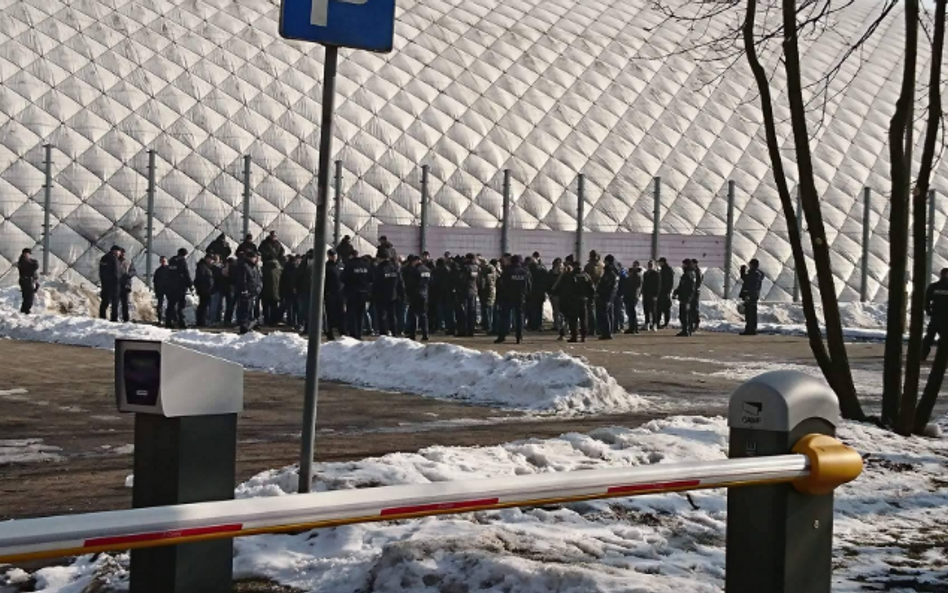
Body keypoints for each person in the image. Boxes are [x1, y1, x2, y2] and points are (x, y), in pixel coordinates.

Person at [495, 255, 531, 344]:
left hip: (507, 297)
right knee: (519, 317)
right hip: (520, 297)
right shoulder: (524, 272)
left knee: (505, 317)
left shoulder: (507, 271)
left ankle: (502, 336)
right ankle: (519, 337)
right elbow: (529, 285)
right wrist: (526, 295)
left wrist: (500, 295)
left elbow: (501, 284)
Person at [561, 260, 595, 343]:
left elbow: (566, 289)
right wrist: (590, 298)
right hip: (584, 300)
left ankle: (574, 336)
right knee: (583, 319)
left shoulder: (570, 276)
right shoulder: (586, 276)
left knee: (573, 319)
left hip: (573, 300)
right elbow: (592, 289)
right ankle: (583, 336)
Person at [342, 250, 372, 339]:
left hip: (352, 292)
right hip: (364, 293)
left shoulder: (349, 265)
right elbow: (371, 278)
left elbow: (343, 278)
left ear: (351, 256)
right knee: (360, 314)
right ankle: (359, 333)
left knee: (352, 313)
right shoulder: (366, 265)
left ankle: (353, 333)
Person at [373, 252, 403, 336]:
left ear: (380, 258)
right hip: (393, 295)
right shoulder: (395, 267)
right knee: (392, 315)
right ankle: (394, 332)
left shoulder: (380, 268)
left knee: (381, 315)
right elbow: (400, 282)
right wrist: (401, 295)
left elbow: (376, 283)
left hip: (381, 295)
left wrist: (373, 295)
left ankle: (383, 333)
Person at [233, 250, 263, 334]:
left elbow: (257, 279)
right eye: (254, 258)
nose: (256, 259)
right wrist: (244, 290)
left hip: (252, 292)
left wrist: (258, 287)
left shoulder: (253, 266)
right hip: (246, 292)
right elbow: (242, 279)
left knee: (250, 309)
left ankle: (248, 326)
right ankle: (244, 327)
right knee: (245, 309)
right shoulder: (244, 266)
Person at [404, 255, 432, 341]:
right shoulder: (427, 269)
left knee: (413, 314)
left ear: (415, 261)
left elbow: (410, 283)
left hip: (415, 294)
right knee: (423, 314)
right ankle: (425, 334)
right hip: (425, 293)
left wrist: (408, 294)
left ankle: (413, 334)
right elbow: (431, 282)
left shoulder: (414, 270)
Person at [922, 268, 948, 360]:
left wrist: (928, 310)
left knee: (929, 337)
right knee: (944, 339)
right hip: (945, 318)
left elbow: (927, 299)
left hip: (935, 316)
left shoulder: (934, 286)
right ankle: (941, 358)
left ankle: (923, 355)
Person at [165, 248, 192, 329]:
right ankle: (181, 322)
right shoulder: (182, 261)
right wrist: (190, 284)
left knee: (171, 305)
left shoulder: (171, 260)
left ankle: (168, 322)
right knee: (181, 305)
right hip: (180, 286)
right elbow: (186, 273)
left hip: (171, 286)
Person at [596, 255, 620, 340]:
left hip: (606, 297)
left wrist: (599, 292)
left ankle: (606, 332)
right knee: (609, 314)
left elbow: (605, 285)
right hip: (610, 296)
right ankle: (608, 331)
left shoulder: (609, 273)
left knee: (604, 314)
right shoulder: (615, 272)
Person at [740, 259, 764, 336]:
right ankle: (750, 328)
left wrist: (748, 294)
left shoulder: (755, 274)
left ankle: (751, 329)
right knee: (750, 312)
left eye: (750, 264)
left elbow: (750, 283)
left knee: (750, 313)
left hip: (751, 295)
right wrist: (742, 271)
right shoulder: (755, 273)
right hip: (752, 295)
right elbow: (746, 279)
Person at [98, 245, 123, 322]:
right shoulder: (114, 259)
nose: (120, 253)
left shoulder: (104, 258)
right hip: (114, 284)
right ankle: (114, 318)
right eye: (119, 251)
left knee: (105, 301)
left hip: (105, 283)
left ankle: (102, 316)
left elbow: (101, 272)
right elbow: (116, 272)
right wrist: (118, 281)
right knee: (115, 302)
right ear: (115, 251)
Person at [324, 250, 345, 339]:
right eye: (332, 255)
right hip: (330, 293)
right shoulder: (326, 266)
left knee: (341, 313)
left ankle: (342, 331)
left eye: (335, 255)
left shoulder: (341, 265)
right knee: (331, 313)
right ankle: (330, 331)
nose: (334, 257)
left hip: (341, 293)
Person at [673, 259, 696, 337]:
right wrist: (676, 292)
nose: (682, 266)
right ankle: (685, 329)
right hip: (683, 297)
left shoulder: (690, 274)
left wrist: (689, 298)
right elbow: (681, 286)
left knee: (685, 315)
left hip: (686, 298)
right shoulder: (685, 274)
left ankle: (686, 330)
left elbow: (692, 288)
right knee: (683, 315)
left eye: (684, 265)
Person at [458, 253, 479, 337]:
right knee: (472, 311)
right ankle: (471, 330)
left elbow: (462, 279)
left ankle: (463, 330)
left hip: (465, 291)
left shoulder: (465, 268)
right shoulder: (476, 268)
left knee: (463, 311)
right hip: (473, 290)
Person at [584, 250, 604, 331]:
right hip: (601, 290)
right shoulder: (602, 265)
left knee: (591, 310)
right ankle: (599, 328)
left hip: (591, 290)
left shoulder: (589, 266)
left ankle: (592, 328)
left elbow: (586, 278)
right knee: (599, 310)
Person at [477, 257, 498, 333]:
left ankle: (488, 326)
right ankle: (487, 325)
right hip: (486, 291)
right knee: (486, 309)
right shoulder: (486, 270)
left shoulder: (488, 270)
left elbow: (487, 281)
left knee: (487, 309)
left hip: (488, 291)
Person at [621, 260, 643, 334]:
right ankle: (633, 327)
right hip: (631, 295)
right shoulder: (634, 275)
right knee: (630, 312)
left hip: (632, 295)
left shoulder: (637, 275)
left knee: (631, 312)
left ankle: (633, 327)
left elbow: (634, 285)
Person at [261, 253, 282, 325]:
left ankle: (266, 320)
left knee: (266, 307)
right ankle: (274, 321)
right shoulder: (279, 269)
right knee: (274, 306)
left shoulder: (263, 269)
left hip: (265, 290)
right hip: (276, 291)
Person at [527, 253, 547, 331]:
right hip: (540, 292)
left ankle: (532, 325)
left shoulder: (530, 268)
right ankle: (538, 325)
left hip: (532, 292)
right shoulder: (543, 268)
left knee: (531, 309)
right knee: (538, 309)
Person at [194, 253, 215, 327]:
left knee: (203, 306)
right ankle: (201, 321)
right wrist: (204, 288)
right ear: (207, 259)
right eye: (211, 260)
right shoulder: (202, 267)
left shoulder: (205, 266)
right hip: (204, 290)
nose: (212, 261)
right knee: (203, 306)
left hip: (205, 289)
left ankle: (202, 320)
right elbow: (202, 278)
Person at [16, 248, 39, 314]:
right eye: (29, 254)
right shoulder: (23, 260)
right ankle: (26, 310)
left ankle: (24, 310)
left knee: (27, 297)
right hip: (26, 281)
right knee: (29, 297)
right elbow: (34, 266)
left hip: (26, 281)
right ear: (26, 253)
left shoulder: (25, 260)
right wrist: (35, 262)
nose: (29, 256)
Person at [281, 254, 300, 330]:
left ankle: (290, 321)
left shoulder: (285, 268)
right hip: (293, 289)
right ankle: (294, 322)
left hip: (286, 289)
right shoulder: (295, 268)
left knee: (289, 306)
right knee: (295, 306)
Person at [118, 249, 136, 323]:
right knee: (115, 302)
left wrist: (129, 275)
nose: (123, 254)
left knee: (125, 303)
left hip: (126, 284)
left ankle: (126, 319)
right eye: (122, 253)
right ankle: (115, 317)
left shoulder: (129, 261)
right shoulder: (116, 261)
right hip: (117, 284)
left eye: (124, 253)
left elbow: (133, 271)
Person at [547, 258, 565, 334]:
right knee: (556, 310)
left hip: (561, 294)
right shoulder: (551, 273)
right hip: (554, 294)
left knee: (560, 311)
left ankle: (560, 325)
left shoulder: (563, 274)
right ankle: (557, 325)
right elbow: (548, 283)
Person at [642, 260, 660, 331]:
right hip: (646, 293)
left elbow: (658, 285)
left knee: (653, 310)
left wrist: (656, 295)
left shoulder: (657, 274)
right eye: (649, 265)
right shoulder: (646, 274)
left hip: (653, 294)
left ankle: (655, 324)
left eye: (651, 265)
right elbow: (644, 284)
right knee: (646, 309)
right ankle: (647, 323)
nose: (650, 266)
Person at [153, 256, 171, 325]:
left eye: (164, 261)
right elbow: (155, 281)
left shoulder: (169, 269)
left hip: (168, 289)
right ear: (160, 262)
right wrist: (156, 290)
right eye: (162, 261)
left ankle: (170, 319)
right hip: (160, 289)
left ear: (166, 261)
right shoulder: (158, 271)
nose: (163, 262)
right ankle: (159, 319)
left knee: (170, 304)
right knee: (160, 304)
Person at [658, 257, 675, 328]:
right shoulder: (662, 270)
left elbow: (670, 282)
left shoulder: (668, 270)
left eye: (660, 262)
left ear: (663, 262)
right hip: (661, 292)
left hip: (665, 292)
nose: (659, 263)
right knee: (659, 308)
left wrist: (667, 291)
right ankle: (658, 322)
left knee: (666, 308)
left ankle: (666, 322)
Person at [690, 259, 703, 333]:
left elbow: (698, 282)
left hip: (695, 292)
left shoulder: (697, 271)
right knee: (692, 308)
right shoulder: (695, 271)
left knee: (694, 308)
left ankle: (696, 323)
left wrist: (694, 289)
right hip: (694, 292)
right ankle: (692, 323)